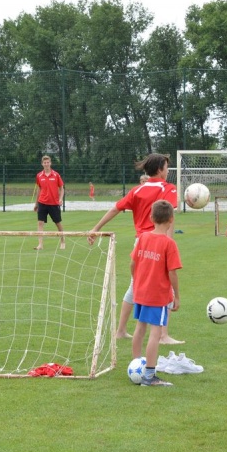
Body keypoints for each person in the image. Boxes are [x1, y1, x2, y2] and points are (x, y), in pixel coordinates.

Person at [88, 153, 183, 345]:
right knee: (164, 285)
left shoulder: (137, 190)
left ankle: (121, 330)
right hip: (158, 242)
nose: (167, 170)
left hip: (140, 243)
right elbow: (169, 216)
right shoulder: (168, 188)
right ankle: (163, 335)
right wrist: (169, 241)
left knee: (135, 285)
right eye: (166, 167)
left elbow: (115, 209)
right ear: (159, 169)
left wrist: (96, 228)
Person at [130, 200, 182, 387]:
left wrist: (137, 281)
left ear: (151, 218)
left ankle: (135, 365)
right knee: (156, 332)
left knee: (139, 328)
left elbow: (133, 263)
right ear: (171, 219)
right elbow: (172, 272)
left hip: (140, 291)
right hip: (157, 295)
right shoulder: (169, 243)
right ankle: (149, 376)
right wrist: (177, 295)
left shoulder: (143, 237)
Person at [33, 155, 66, 250]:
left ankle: (63, 241)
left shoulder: (56, 175)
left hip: (54, 203)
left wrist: (60, 199)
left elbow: (62, 188)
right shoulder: (39, 175)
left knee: (58, 223)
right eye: (45, 163)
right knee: (40, 223)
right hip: (42, 202)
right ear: (42, 164)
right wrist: (36, 204)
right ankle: (40, 244)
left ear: (50, 163)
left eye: (48, 162)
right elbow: (39, 189)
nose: (46, 164)